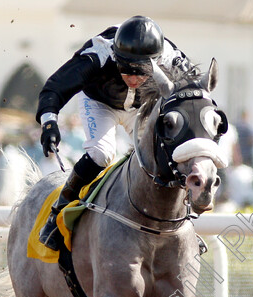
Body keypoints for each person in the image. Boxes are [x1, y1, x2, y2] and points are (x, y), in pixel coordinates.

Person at [35, 15, 191, 250]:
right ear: (117, 57)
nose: (134, 79)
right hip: (100, 103)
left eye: (142, 72)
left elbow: (196, 93)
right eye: (127, 70)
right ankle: (58, 212)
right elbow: (55, 87)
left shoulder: (171, 58)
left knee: (158, 157)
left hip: (142, 107)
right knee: (101, 153)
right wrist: (49, 121)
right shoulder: (98, 54)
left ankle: (180, 222)